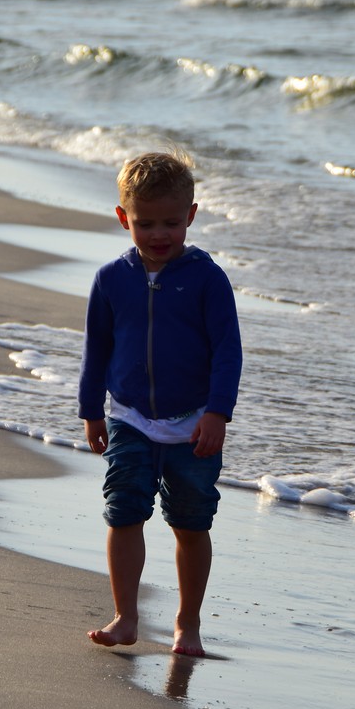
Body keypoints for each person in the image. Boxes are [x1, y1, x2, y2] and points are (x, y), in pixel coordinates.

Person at [77, 151, 242, 658]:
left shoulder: (207, 279)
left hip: (193, 425)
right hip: (128, 417)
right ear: (123, 217)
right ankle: (126, 616)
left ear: (191, 215)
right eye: (145, 223)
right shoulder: (111, 279)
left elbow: (228, 350)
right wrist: (91, 410)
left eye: (171, 222)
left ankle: (187, 625)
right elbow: (96, 348)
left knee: (191, 524)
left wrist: (218, 413)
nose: (159, 234)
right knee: (124, 512)